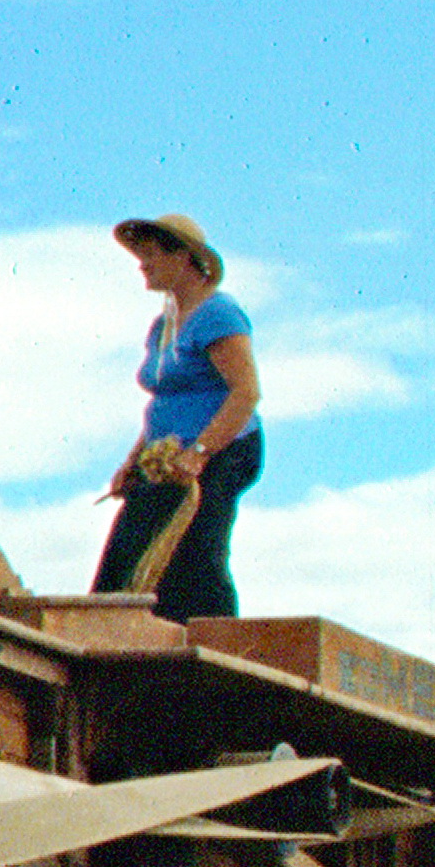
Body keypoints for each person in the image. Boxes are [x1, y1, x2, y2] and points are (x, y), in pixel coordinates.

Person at [91, 214, 262, 623]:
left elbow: (246, 393)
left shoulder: (219, 315)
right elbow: (162, 404)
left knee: (196, 551)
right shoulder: (162, 326)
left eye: (150, 255)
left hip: (223, 449)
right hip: (166, 455)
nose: (142, 265)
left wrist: (201, 452)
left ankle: (218, 648)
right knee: (130, 548)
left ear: (183, 258)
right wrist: (132, 461)